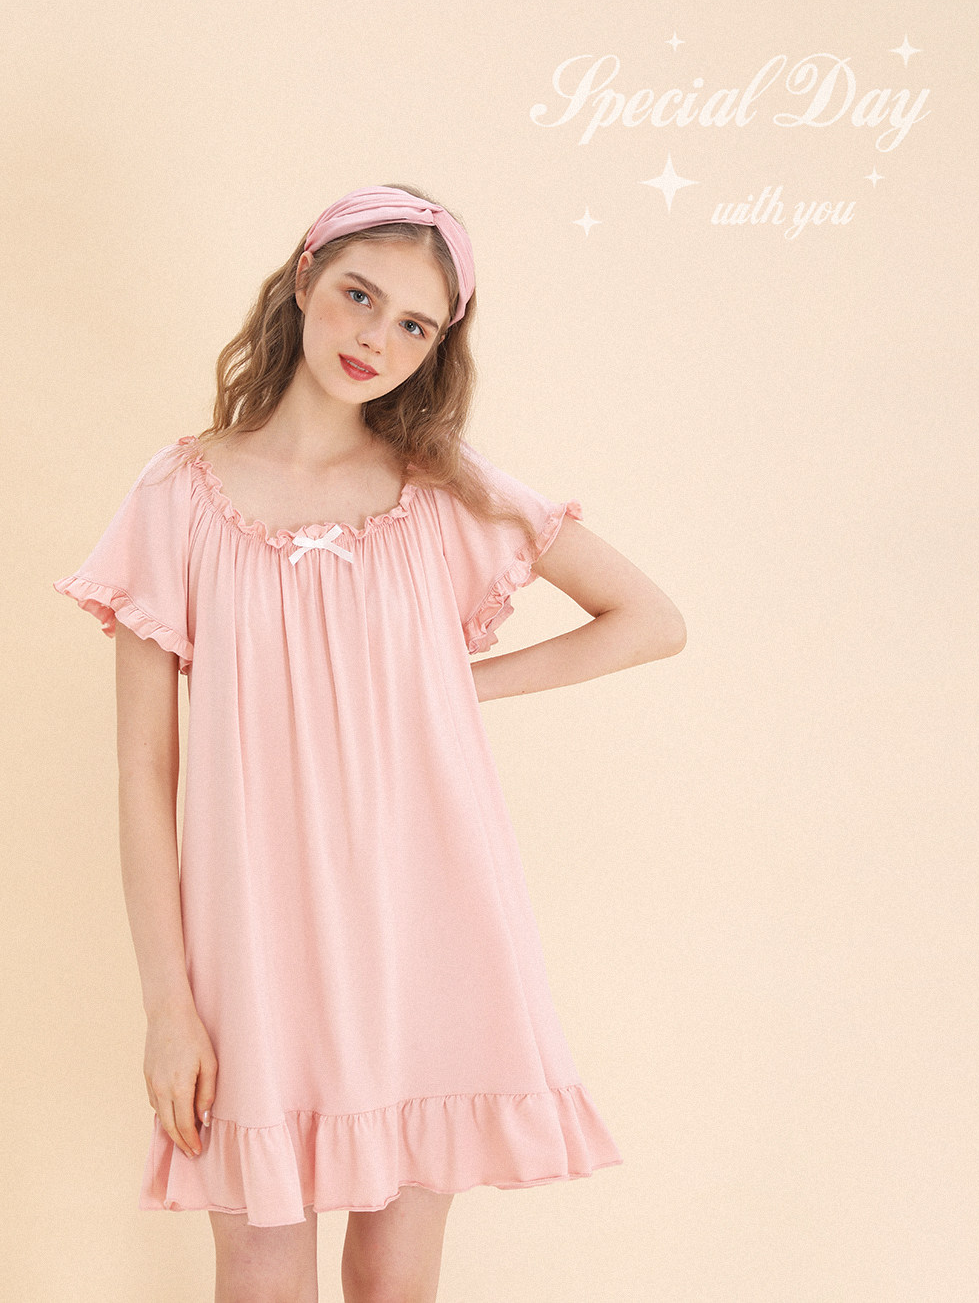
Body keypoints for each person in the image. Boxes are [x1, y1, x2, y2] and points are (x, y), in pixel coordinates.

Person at [52, 183, 687, 1303]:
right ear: (304, 280)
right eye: (359, 295)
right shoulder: (178, 496)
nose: (375, 339)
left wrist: (451, 689)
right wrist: (168, 1006)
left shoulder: (442, 489)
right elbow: (145, 772)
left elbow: (649, 620)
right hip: (252, 942)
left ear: (438, 347)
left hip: (424, 930)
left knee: (396, 1276)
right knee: (261, 1270)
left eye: (413, 325)